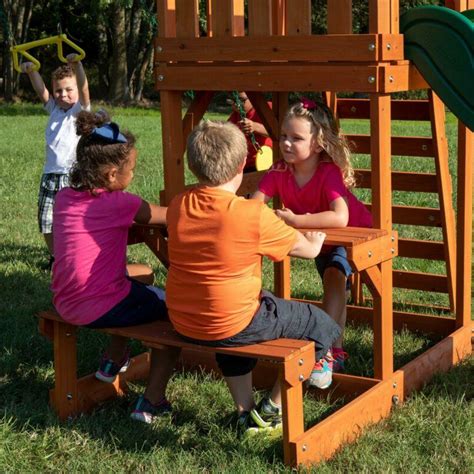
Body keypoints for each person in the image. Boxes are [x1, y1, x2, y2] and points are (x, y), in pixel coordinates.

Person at [165, 120, 341, 435]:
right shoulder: (250, 214)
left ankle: (244, 410)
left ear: (193, 167)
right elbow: (306, 250)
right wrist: (315, 243)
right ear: (240, 168)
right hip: (229, 322)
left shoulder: (179, 204)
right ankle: (272, 409)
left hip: (184, 319)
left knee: (248, 307)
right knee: (321, 324)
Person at [50, 110, 180, 424]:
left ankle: (113, 359)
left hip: (65, 300)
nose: (133, 175)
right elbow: (169, 216)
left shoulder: (65, 198)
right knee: (176, 313)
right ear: (111, 175)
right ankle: (151, 401)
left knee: (142, 273)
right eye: (132, 169)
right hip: (98, 305)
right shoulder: (121, 203)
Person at [253, 99, 373, 373]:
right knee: (336, 288)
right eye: (283, 136)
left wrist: (296, 221)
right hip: (319, 237)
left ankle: (324, 349)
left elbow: (340, 218)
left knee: (334, 279)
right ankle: (335, 349)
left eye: (296, 138)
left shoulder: (327, 172)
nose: (285, 144)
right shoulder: (279, 170)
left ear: (317, 145)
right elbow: (254, 205)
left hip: (352, 236)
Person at [20, 56, 90, 268]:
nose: (63, 95)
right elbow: (42, 91)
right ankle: (56, 258)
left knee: (73, 221)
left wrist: (77, 66)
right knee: (47, 222)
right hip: (49, 176)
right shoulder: (54, 110)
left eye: (69, 89)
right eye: (58, 91)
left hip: (73, 177)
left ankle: (75, 257)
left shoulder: (80, 111)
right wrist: (32, 71)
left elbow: (84, 88)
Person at [228, 92, 272, 172]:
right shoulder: (235, 115)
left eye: (242, 100)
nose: (237, 104)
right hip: (242, 164)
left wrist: (256, 127)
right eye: (233, 101)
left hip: (264, 163)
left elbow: (281, 131)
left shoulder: (267, 108)